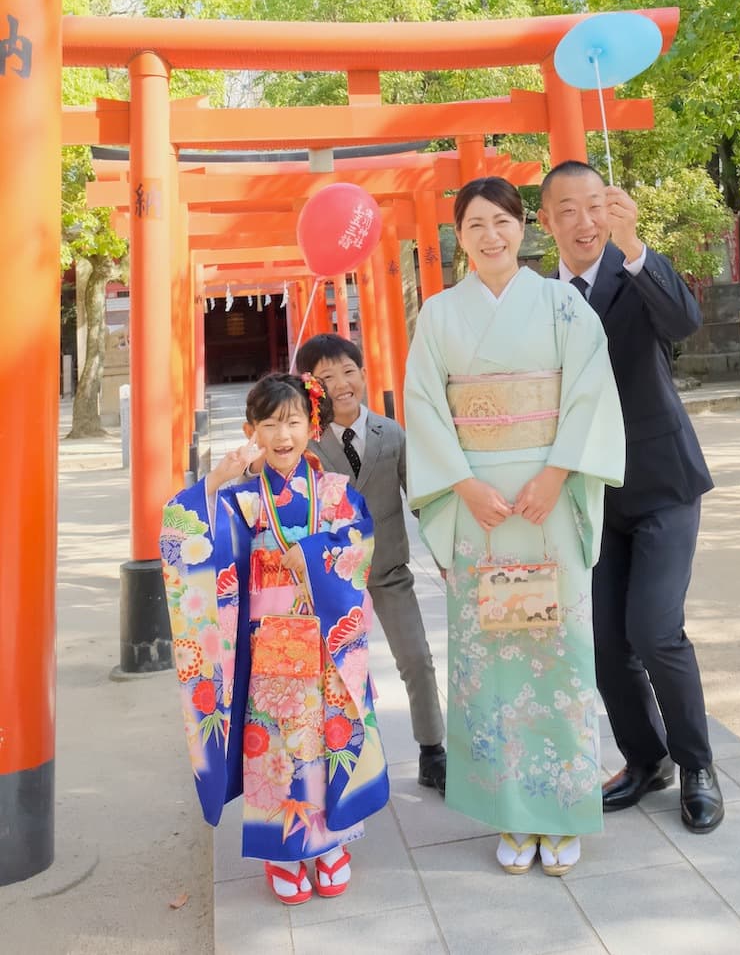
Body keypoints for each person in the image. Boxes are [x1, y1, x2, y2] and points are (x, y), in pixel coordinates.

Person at [404, 177, 626, 877]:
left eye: (502, 221)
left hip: (545, 502)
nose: (491, 235)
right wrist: (463, 485)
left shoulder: (563, 305)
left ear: (524, 227)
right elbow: (425, 408)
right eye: (475, 224)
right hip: (481, 509)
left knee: (556, 653)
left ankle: (559, 807)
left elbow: (590, 394)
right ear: (458, 236)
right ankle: (509, 809)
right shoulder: (438, 316)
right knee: (489, 660)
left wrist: (557, 476)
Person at [537, 161, 724, 834]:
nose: (584, 223)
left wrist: (637, 245)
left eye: (595, 207)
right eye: (568, 211)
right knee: (606, 642)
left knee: (654, 629)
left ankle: (696, 764)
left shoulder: (635, 276)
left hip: (663, 482)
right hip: (590, 497)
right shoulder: (540, 301)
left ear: (611, 208)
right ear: (546, 221)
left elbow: (685, 320)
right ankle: (645, 761)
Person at [159, 372, 390, 906]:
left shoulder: (335, 491)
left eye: (293, 421)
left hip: (325, 642)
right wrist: (214, 483)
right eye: (270, 424)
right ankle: (282, 848)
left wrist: (311, 557)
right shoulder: (241, 497)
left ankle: (332, 842)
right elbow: (183, 534)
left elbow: (359, 542)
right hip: (266, 648)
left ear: (312, 426)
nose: (282, 435)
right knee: (276, 746)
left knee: (330, 736)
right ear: (251, 431)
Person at [295, 332, 447, 793]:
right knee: (334, 673)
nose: (341, 383)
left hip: (389, 570)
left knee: (417, 659)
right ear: (310, 386)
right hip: (332, 581)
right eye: (326, 376)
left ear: (362, 373)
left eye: (348, 371)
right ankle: (330, 760)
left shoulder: (391, 434)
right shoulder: (306, 442)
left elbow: (420, 500)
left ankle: (432, 751)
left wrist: (445, 554)